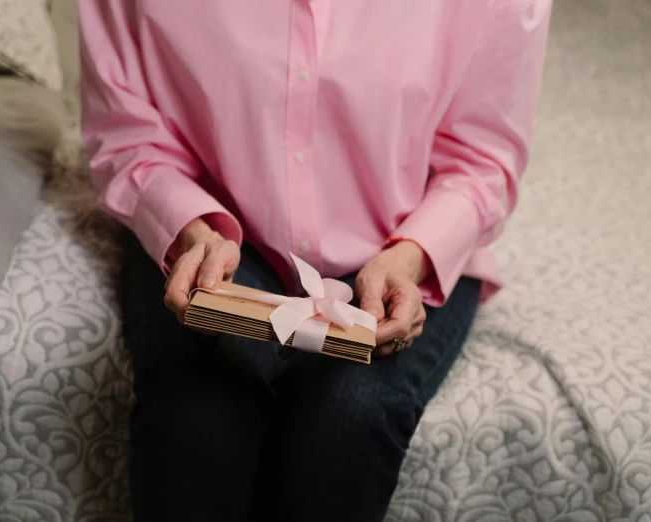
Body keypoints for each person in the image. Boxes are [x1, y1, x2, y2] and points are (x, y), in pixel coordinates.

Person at [79, 1, 551, 520]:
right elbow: (125, 132)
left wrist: (409, 258)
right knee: (200, 412)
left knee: (349, 415)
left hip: (405, 238)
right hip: (211, 224)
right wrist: (191, 229)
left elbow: (482, 160)